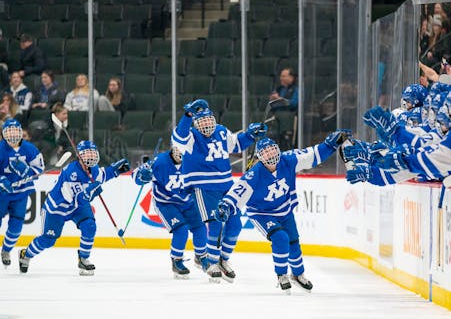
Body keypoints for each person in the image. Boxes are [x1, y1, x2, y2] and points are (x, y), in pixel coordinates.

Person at [215, 131, 351, 293]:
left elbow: (312, 155)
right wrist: (225, 206)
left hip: (285, 211)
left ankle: (298, 275)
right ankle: (281, 275)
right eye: (265, 152)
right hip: (262, 214)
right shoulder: (253, 175)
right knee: (280, 238)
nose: (270, 154)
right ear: (260, 156)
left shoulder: (288, 159)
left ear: (278, 150)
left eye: (272, 150)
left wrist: (330, 145)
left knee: (293, 243)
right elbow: (236, 194)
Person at [172, 99, 267, 282]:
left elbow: (237, 144)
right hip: (203, 187)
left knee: (235, 224)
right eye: (202, 121)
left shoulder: (222, 131)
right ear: (196, 123)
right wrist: (187, 116)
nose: (207, 125)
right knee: (215, 223)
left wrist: (251, 135)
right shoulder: (190, 136)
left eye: (209, 120)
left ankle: (223, 259)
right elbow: (178, 138)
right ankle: (211, 262)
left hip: (225, 185)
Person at [18, 141, 130, 275]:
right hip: (57, 209)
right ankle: (26, 254)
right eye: (87, 154)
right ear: (79, 156)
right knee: (48, 240)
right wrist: (88, 193)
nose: (91, 157)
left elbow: (103, 175)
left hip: (77, 207)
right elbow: (71, 199)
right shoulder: (70, 172)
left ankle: (83, 259)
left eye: (92, 153)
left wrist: (116, 170)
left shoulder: (93, 169)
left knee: (90, 226)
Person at [133, 146, 216, 280]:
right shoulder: (160, 162)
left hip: (188, 202)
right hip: (166, 203)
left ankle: (201, 257)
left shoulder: (195, 161)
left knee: (200, 227)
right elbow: (136, 175)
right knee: (181, 230)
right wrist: (142, 176)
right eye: (180, 148)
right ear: (173, 148)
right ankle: (176, 261)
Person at [0, 119, 45, 267]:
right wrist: (2, 180)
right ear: (4, 133)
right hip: (2, 193)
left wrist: (27, 171)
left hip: (21, 193)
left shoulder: (30, 149)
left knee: (16, 226)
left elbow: (39, 169)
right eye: (9, 131)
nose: (12, 135)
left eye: (15, 131)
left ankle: (6, 250)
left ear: (21, 132)